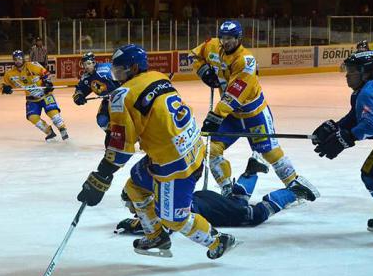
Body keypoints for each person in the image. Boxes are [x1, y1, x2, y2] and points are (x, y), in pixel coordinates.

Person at [77, 44, 238, 260]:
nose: (116, 76)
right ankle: (155, 236)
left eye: (120, 70)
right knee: (134, 187)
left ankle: (218, 240)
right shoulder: (158, 76)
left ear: (133, 68)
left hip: (173, 164)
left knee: (174, 218)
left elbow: (121, 147)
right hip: (190, 148)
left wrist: (101, 175)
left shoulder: (122, 96)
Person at [191, 20, 316, 197]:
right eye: (223, 38)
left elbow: (234, 94)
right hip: (232, 117)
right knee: (212, 150)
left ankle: (294, 184)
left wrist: (215, 117)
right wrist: (203, 70)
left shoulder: (246, 61)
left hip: (253, 115)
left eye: (230, 38)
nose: (226, 42)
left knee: (270, 152)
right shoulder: (212, 47)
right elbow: (195, 55)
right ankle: (227, 188)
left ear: (239, 38)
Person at [116, 155, 319, 234]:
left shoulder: (156, 209)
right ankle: (250, 173)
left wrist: (133, 227)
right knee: (235, 203)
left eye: (130, 204)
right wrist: (133, 223)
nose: (131, 208)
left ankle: (294, 191)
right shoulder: (160, 198)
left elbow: (159, 228)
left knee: (251, 216)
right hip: (203, 197)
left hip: (209, 208)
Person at [312, 51, 373, 231]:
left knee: (372, 176)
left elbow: (372, 126)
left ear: (365, 72)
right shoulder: (363, 91)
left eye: (351, 71)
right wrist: (336, 128)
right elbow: (355, 117)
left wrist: (348, 137)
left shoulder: (368, 93)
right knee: (371, 175)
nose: (347, 75)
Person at [1, 50, 68, 141]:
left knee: (54, 114)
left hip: (45, 95)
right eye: (15, 59)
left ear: (23, 58)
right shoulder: (10, 74)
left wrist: (48, 82)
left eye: (20, 58)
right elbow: (3, 85)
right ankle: (49, 132)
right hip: (31, 99)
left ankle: (62, 129)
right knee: (32, 117)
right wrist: (5, 88)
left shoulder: (33, 65)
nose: (18, 60)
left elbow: (46, 74)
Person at [72, 52, 120, 132]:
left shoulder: (106, 68)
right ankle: (111, 134)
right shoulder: (86, 78)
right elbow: (79, 90)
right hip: (107, 101)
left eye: (88, 63)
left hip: (120, 99)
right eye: (84, 64)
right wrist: (79, 96)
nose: (86, 66)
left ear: (94, 62)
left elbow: (123, 79)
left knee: (123, 119)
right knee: (102, 120)